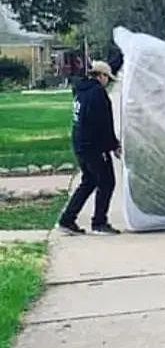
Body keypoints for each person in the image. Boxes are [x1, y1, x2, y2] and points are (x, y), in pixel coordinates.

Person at [57, 60, 122, 236]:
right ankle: (99, 222)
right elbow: (104, 123)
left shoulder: (80, 91)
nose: (108, 82)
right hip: (94, 146)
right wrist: (113, 145)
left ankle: (67, 220)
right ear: (101, 76)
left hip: (80, 144)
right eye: (107, 78)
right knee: (107, 182)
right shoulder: (97, 93)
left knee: (89, 181)